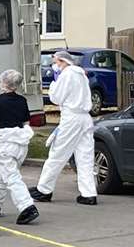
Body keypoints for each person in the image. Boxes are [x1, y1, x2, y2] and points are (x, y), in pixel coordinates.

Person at [32, 50, 98, 205]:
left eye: (56, 61)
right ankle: (89, 193)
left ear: (62, 61)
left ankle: (44, 189)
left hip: (71, 118)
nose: (54, 65)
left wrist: (54, 82)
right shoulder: (81, 74)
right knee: (85, 157)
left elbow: (56, 98)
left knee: (58, 153)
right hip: (85, 118)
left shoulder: (67, 75)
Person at [0, 69, 39, 227]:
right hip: (20, 143)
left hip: (5, 143)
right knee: (2, 176)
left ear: (4, 83)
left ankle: (27, 207)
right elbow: (26, 122)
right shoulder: (22, 101)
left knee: (12, 178)